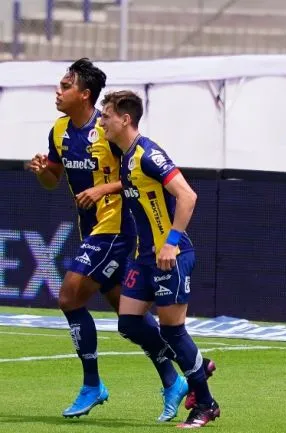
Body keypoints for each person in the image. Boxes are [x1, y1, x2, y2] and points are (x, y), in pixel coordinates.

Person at [25, 58, 188, 421]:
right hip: (91, 230)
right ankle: (173, 379)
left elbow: (137, 171)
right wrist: (42, 171)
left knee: (69, 296)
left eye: (65, 86)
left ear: (85, 95)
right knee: (129, 318)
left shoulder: (108, 130)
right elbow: (53, 178)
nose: (58, 91)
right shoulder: (60, 130)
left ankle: (92, 384)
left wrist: (104, 189)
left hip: (115, 230)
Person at [99, 90, 220, 428]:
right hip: (144, 259)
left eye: (106, 114)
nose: (102, 120)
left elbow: (188, 195)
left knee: (174, 331)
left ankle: (206, 406)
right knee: (129, 323)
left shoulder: (149, 154)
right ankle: (197, 364)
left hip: (171, 257)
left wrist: (171, 242)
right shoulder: (125, 157)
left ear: (125, 119)